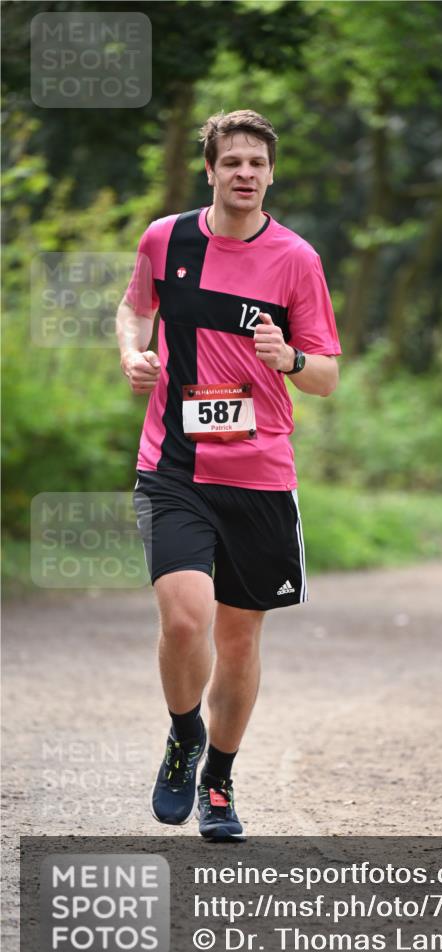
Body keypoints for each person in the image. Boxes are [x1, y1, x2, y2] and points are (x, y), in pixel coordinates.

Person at [116, 109, 341, 840]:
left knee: (240, 642)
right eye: (231, 161)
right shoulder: (166, 237)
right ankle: (184, 734)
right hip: (173, 465)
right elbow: (132, 307)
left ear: (270, 175)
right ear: (209, 170)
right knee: (185, 619)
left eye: (256, 162)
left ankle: (219, 780)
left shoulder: (296, 260)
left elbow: (328, 376)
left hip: (260, 476)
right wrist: (133, 352)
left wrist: (292, 361)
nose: (244, 172)